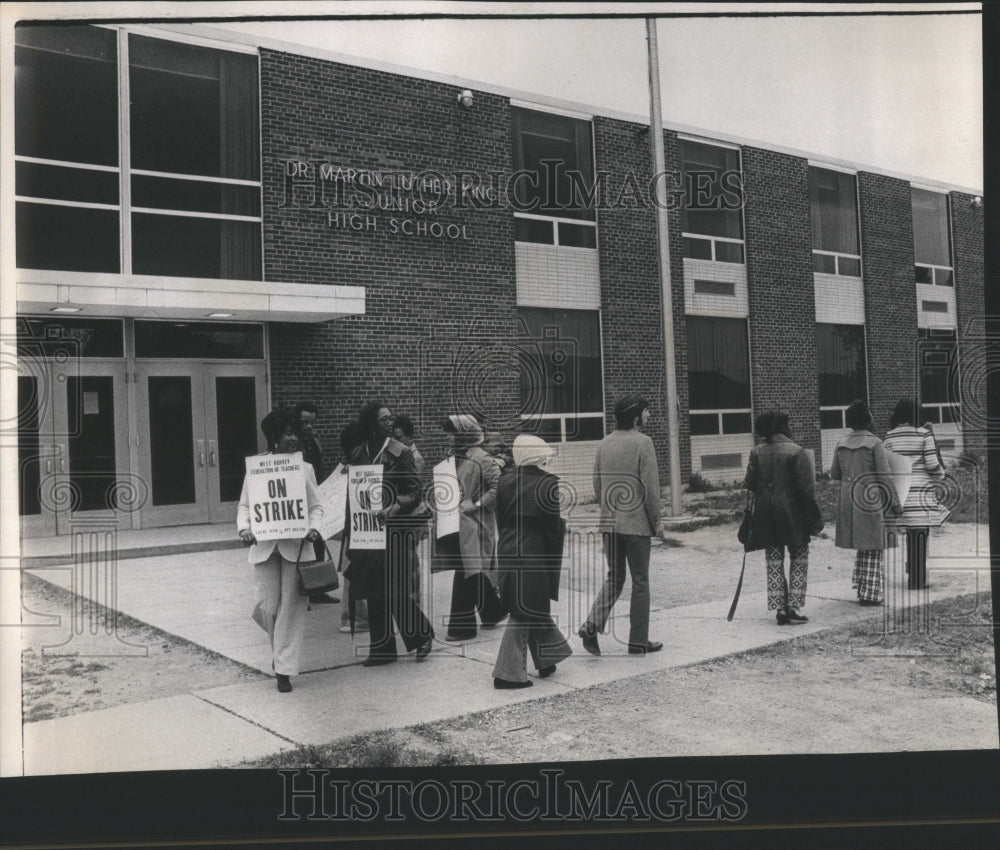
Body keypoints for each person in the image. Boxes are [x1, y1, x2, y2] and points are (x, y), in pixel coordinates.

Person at [237, 407, 324, 693]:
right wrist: (244, 528)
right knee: (266, 607)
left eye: (295, 434)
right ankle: (281, 655)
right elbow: (245, 505)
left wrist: (315, 527)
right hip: (264, 547)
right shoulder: (258, 468)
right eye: (288, 434)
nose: (294, 439)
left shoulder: (304, 468)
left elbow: (316, 506)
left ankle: (283, 669)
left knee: (292, 607)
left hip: (296, 547)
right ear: (274, 437)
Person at [345, 401, 433, 666]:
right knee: (373, 588)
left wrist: (395, 506)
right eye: (384, 420)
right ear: (371, 424)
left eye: (390, 419)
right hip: (368, 532)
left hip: (394, 529)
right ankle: (382, 649)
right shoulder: (359, 453)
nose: (390, 423)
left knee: (394, 588)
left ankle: (422, 635)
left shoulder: (401, 452)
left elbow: (415, 491)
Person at [578, 394, 663, 656]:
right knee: (640, 581)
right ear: (637, 416)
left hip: (609, 522)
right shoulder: (643, 443)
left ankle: (592, 624)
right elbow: (650, 487)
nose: (649, 416)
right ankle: (638, 641)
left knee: (615, 577)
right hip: (636, 524)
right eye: (647, 412)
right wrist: (656, 521)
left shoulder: (604, 443)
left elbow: (597, 482)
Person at [492, 435, 572, 688]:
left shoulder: (503, 481)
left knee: (525, 599)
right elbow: (551, 526)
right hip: (534, 547)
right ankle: (507, 674)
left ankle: (547, 657)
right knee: (526, 606)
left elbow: (500, 518)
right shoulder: (548, 483)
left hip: (507, 544)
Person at [744, 411, 824, 625]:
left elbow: (750, 484)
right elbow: (806, 490)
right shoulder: (797, 452)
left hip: (765, 514)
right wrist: (814, 518)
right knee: (799, 556)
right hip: (793, 513)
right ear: (782, 427)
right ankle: (794, 606)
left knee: (773, 560)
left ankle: (779, 608)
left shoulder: (756, 451)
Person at [435, 414, 505, 641]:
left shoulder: (483, 458)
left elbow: (499, 489)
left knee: (465, 570)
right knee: (468, 568)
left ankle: (461, 628)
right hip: (454, 523)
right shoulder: (453, 457)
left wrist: (476, 504)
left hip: (476, 524)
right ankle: (493, 611)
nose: (448, 436)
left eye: (452, 432)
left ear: (464, 434)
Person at [830, 399, 902, 607]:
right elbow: (885, 477)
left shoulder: (841, 443)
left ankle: (863, 586)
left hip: (847, 498)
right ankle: (871, 593)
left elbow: (835, 473)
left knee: (863, 544)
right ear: (867, 418)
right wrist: (896, 504)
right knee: (873, 543)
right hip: (869, 498)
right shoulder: (875, 443)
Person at [883, 398, 946, 590]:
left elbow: (888, 466)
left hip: (902, 493)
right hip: (921, 495)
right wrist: (941, 474)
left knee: (911, 535)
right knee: (921, 534)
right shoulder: (924, 434)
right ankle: (917, 579)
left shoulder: (890, 436)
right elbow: (932, 464)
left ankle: (913, 573)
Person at [296, 401, 338, 605]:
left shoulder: (314, 440)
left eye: (312, 422)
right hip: (299, 498)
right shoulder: (293, 442)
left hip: (315, 495)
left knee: (319, 540)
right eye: (305, 422)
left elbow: (318, 466)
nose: (309, 427)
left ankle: (318, 588)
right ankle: (304, 590)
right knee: (303, 546)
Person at [336, 420, 369, 634]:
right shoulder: (361, 463)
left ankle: (356, 616)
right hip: (357, 526)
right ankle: (355, 615)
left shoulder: (356, 466)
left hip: (357, 526)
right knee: (355, 571)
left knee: (354, 571)